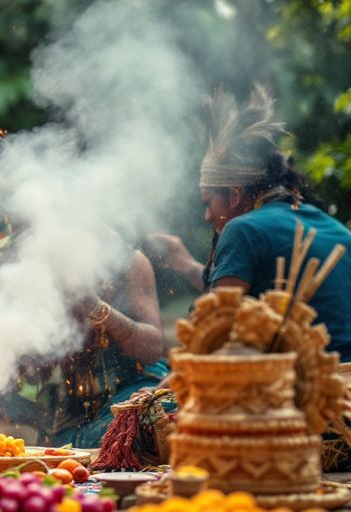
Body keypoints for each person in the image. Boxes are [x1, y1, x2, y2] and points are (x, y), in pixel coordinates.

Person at [147, 85, 351, 361]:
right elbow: (232, 292)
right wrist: (185, 264)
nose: (207, 216)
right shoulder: (332, 227)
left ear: (233, 195)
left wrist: (162, 392)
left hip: (305, 385)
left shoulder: (242, 229)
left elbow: (214, 335)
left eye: (208, 202)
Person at [0, 230, 167, 449]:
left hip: (132, 391)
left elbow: (153, 348)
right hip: (60, 417)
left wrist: (96, 308)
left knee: (153, 418)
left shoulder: (125, 260)